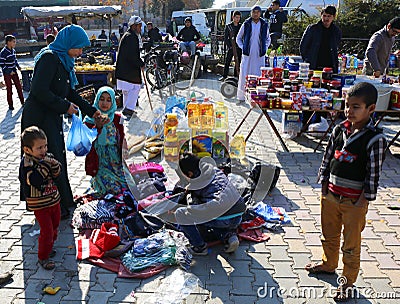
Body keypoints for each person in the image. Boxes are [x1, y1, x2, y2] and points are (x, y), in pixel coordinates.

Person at [305, 82, 387, 301]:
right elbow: (328, 157)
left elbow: (373, 175)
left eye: (356, 107)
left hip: (354, 203)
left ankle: (347, 282)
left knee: (350, 246)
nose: (349, 111)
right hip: (330, 196)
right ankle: (328, 264)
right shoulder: (340, 129)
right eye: (347, 105)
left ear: (371, 109)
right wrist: (323, 182)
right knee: (328, 235)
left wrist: (363, 201)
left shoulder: (375, 140)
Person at [21, 25, 103, 219]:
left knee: (56, 157)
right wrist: (64, 106)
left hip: (51, 115)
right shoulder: (49, 58)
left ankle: (61, 201)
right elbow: (39, 91)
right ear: (69, 43)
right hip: (38, 118)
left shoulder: (65, 62)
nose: (81, 52)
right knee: (42, 159)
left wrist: (92, 111)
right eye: (79, 47)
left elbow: (70, 92)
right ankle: (46, 204)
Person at [172, 154, 246, 255]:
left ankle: (199, 247)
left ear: (189, 174)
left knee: (181, 213)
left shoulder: (196, 184)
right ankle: (228, 235)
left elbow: (194, 209)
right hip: (238, 215)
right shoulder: (215, 170)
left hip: (223, 218)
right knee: (211, 213)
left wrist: (186, 201)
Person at [19, 126, 62, 270]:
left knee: (55, 225)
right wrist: (45, 165)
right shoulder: (27, 164)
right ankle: (43, 257)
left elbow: (56, 174)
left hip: (53, 199)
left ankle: (49, 247)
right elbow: (35, 181)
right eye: (39, 148)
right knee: (47, 231)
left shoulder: (46, 157)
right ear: (27, 150)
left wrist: (55, 165)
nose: (44, 150)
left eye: (45, 146)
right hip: (40, 204)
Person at [84, 86, 127, 196]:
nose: (105, 103)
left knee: (127, 185)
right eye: (101, 99)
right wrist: (97, 127)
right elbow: (87, 141)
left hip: (115, 160)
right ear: (97, 100)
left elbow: (122, 138)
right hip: (99, 160)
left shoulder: (117, 118)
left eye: (109, 100)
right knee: (112, 188)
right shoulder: (90, 119)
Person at [236, 6, 270, 102]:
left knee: (259, 74)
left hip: (259, 54)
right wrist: (243, 47)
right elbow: (238, 38)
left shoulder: (264, 24)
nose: (256, 14)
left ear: (260, 13)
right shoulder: (246, 24)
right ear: (251, 13)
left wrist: (265, 48)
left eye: (257, 12)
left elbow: (268, 39)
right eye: (254, 12)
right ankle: (241, 96)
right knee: (244, 74)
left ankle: (258, 97)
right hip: (247, 54)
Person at [116, 15, 145, 118]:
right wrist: (141, 63)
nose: (140, 28)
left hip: (124, 69)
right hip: (128, 70)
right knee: (134, 88)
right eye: (139, 26)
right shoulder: (131, 37)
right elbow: (132, 56)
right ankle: (129, 110)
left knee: (127, 91)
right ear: (134, 26)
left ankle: (127, 108)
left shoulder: (128, 36)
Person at [299, 5, 342, 73]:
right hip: (314, 65)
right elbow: (303, 47)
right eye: (324, 16)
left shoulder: (336, 31)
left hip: (330, 67)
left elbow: (336, 47)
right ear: (321, 16)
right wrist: (307, 60)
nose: (326, 18)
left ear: (333, 17)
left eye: (329, 16)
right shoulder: (312, 29)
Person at [0, 35, 24, 110]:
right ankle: (10, 105)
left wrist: (18, 66)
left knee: (19, 87)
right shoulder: (3, 52)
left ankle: (23, 102)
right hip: (7, 73)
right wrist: (9, 71)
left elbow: (15, 60)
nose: (15, 43)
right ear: (8, 42)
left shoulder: (13, 50)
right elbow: (1, 64)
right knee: (9, 89)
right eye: (13, 42)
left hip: (14, 71)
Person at [219, 11, 242, 81]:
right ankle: (224, 76)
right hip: (231, 47)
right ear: (233, 17)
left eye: (239, 17)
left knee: (238, 62)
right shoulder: (229, 26)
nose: (238, 19)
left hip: (239, 47)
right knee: (227, 61)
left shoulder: (241, 26)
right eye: (236, 17)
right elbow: (226, 38)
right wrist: (230, 46)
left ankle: (236, 76)